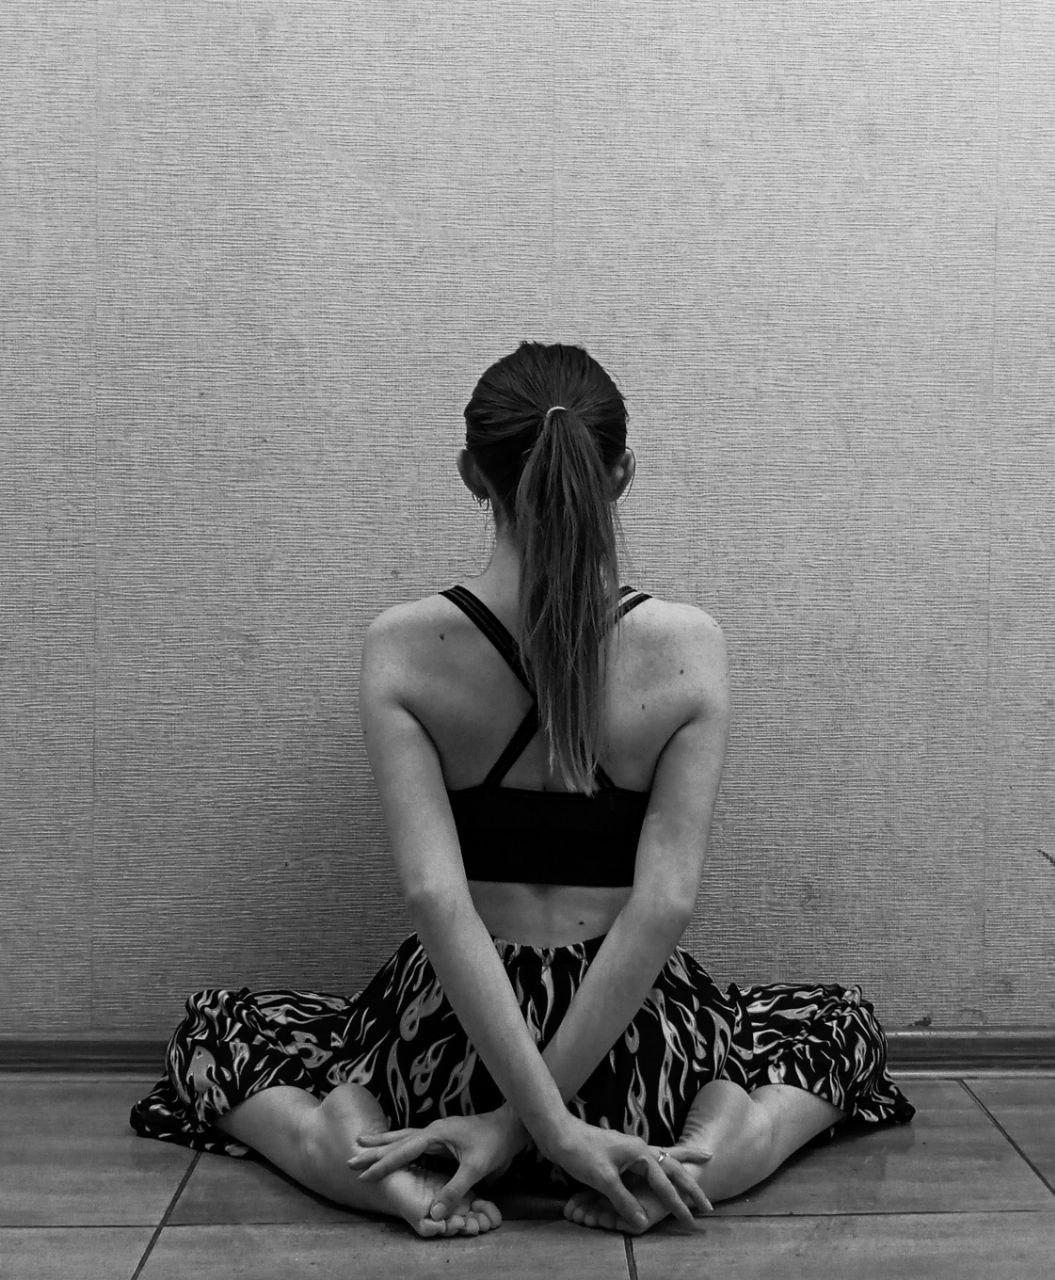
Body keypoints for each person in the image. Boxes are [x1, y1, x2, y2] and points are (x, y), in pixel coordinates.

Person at [130, 341, 915, 1239]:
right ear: (621, 474)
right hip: (638, 1055)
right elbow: (664, 903)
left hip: (447, 1054)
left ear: (473, 474)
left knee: (216, 1029)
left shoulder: (403, 644)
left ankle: (346, 1147)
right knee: (838, 1023)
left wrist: (518, 1120)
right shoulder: (689, 645)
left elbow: (435, 897)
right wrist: (552, 1124)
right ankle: (715, 1148)